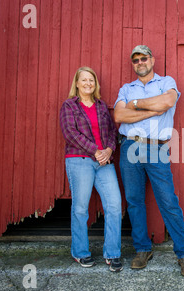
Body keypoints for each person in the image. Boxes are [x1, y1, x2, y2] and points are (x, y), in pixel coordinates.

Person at [114, 45, 184, 277]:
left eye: (144, 58)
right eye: (136, 60)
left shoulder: (165, 82)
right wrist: (151, 109)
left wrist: (136, 105)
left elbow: (167, 103)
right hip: (129, 145)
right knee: (134, 201)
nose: (140, 62)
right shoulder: (126, 88)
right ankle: (142, 249)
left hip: (157, 148)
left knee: (168, 200)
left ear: (152, 59)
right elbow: (120, 116)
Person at [60, 66, 123, 272]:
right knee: (80, 208)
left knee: (114, 205)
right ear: (76, 83)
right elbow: (70, 133)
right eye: (84, 80)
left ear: (95, 84)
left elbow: (113, 133)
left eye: (91, 80)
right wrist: (95, 150)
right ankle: (80, 252)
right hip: (80, 160)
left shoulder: (102, 106)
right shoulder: (69, 106)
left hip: (104, 162)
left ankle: (112, 253)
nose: (88, 83)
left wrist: (109, 150)